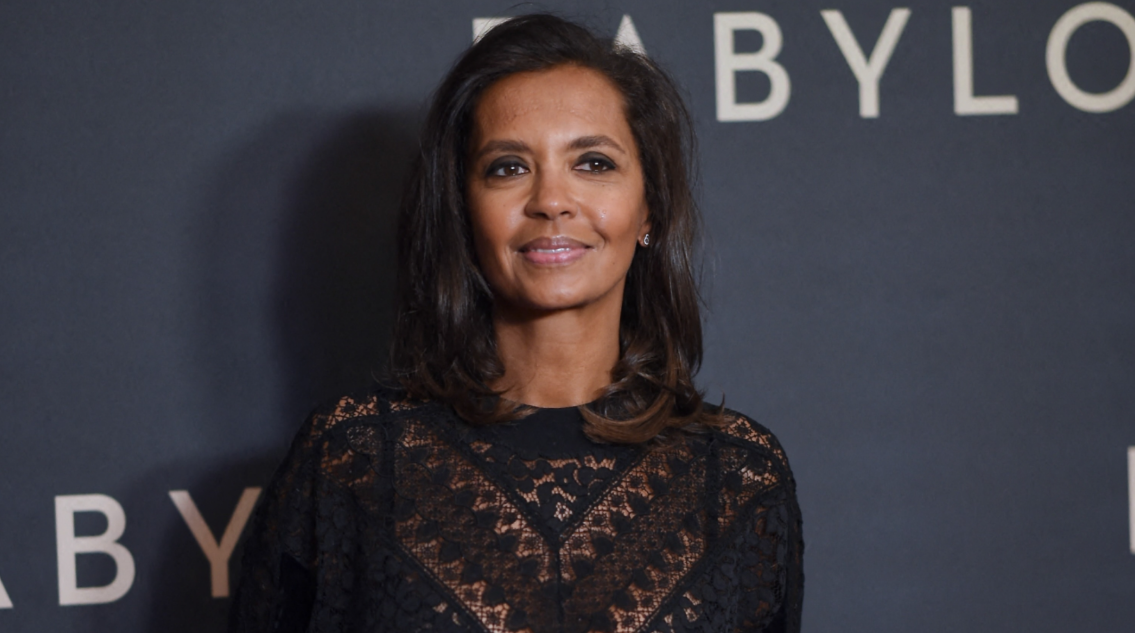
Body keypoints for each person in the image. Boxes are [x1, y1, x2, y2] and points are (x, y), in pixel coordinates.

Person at [229, 14, 803, 633]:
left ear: (650, 211)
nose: (551, 200)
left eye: (593, 163)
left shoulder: (737, 478)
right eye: (508, 167)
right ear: (463, 211)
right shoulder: (354, 461)